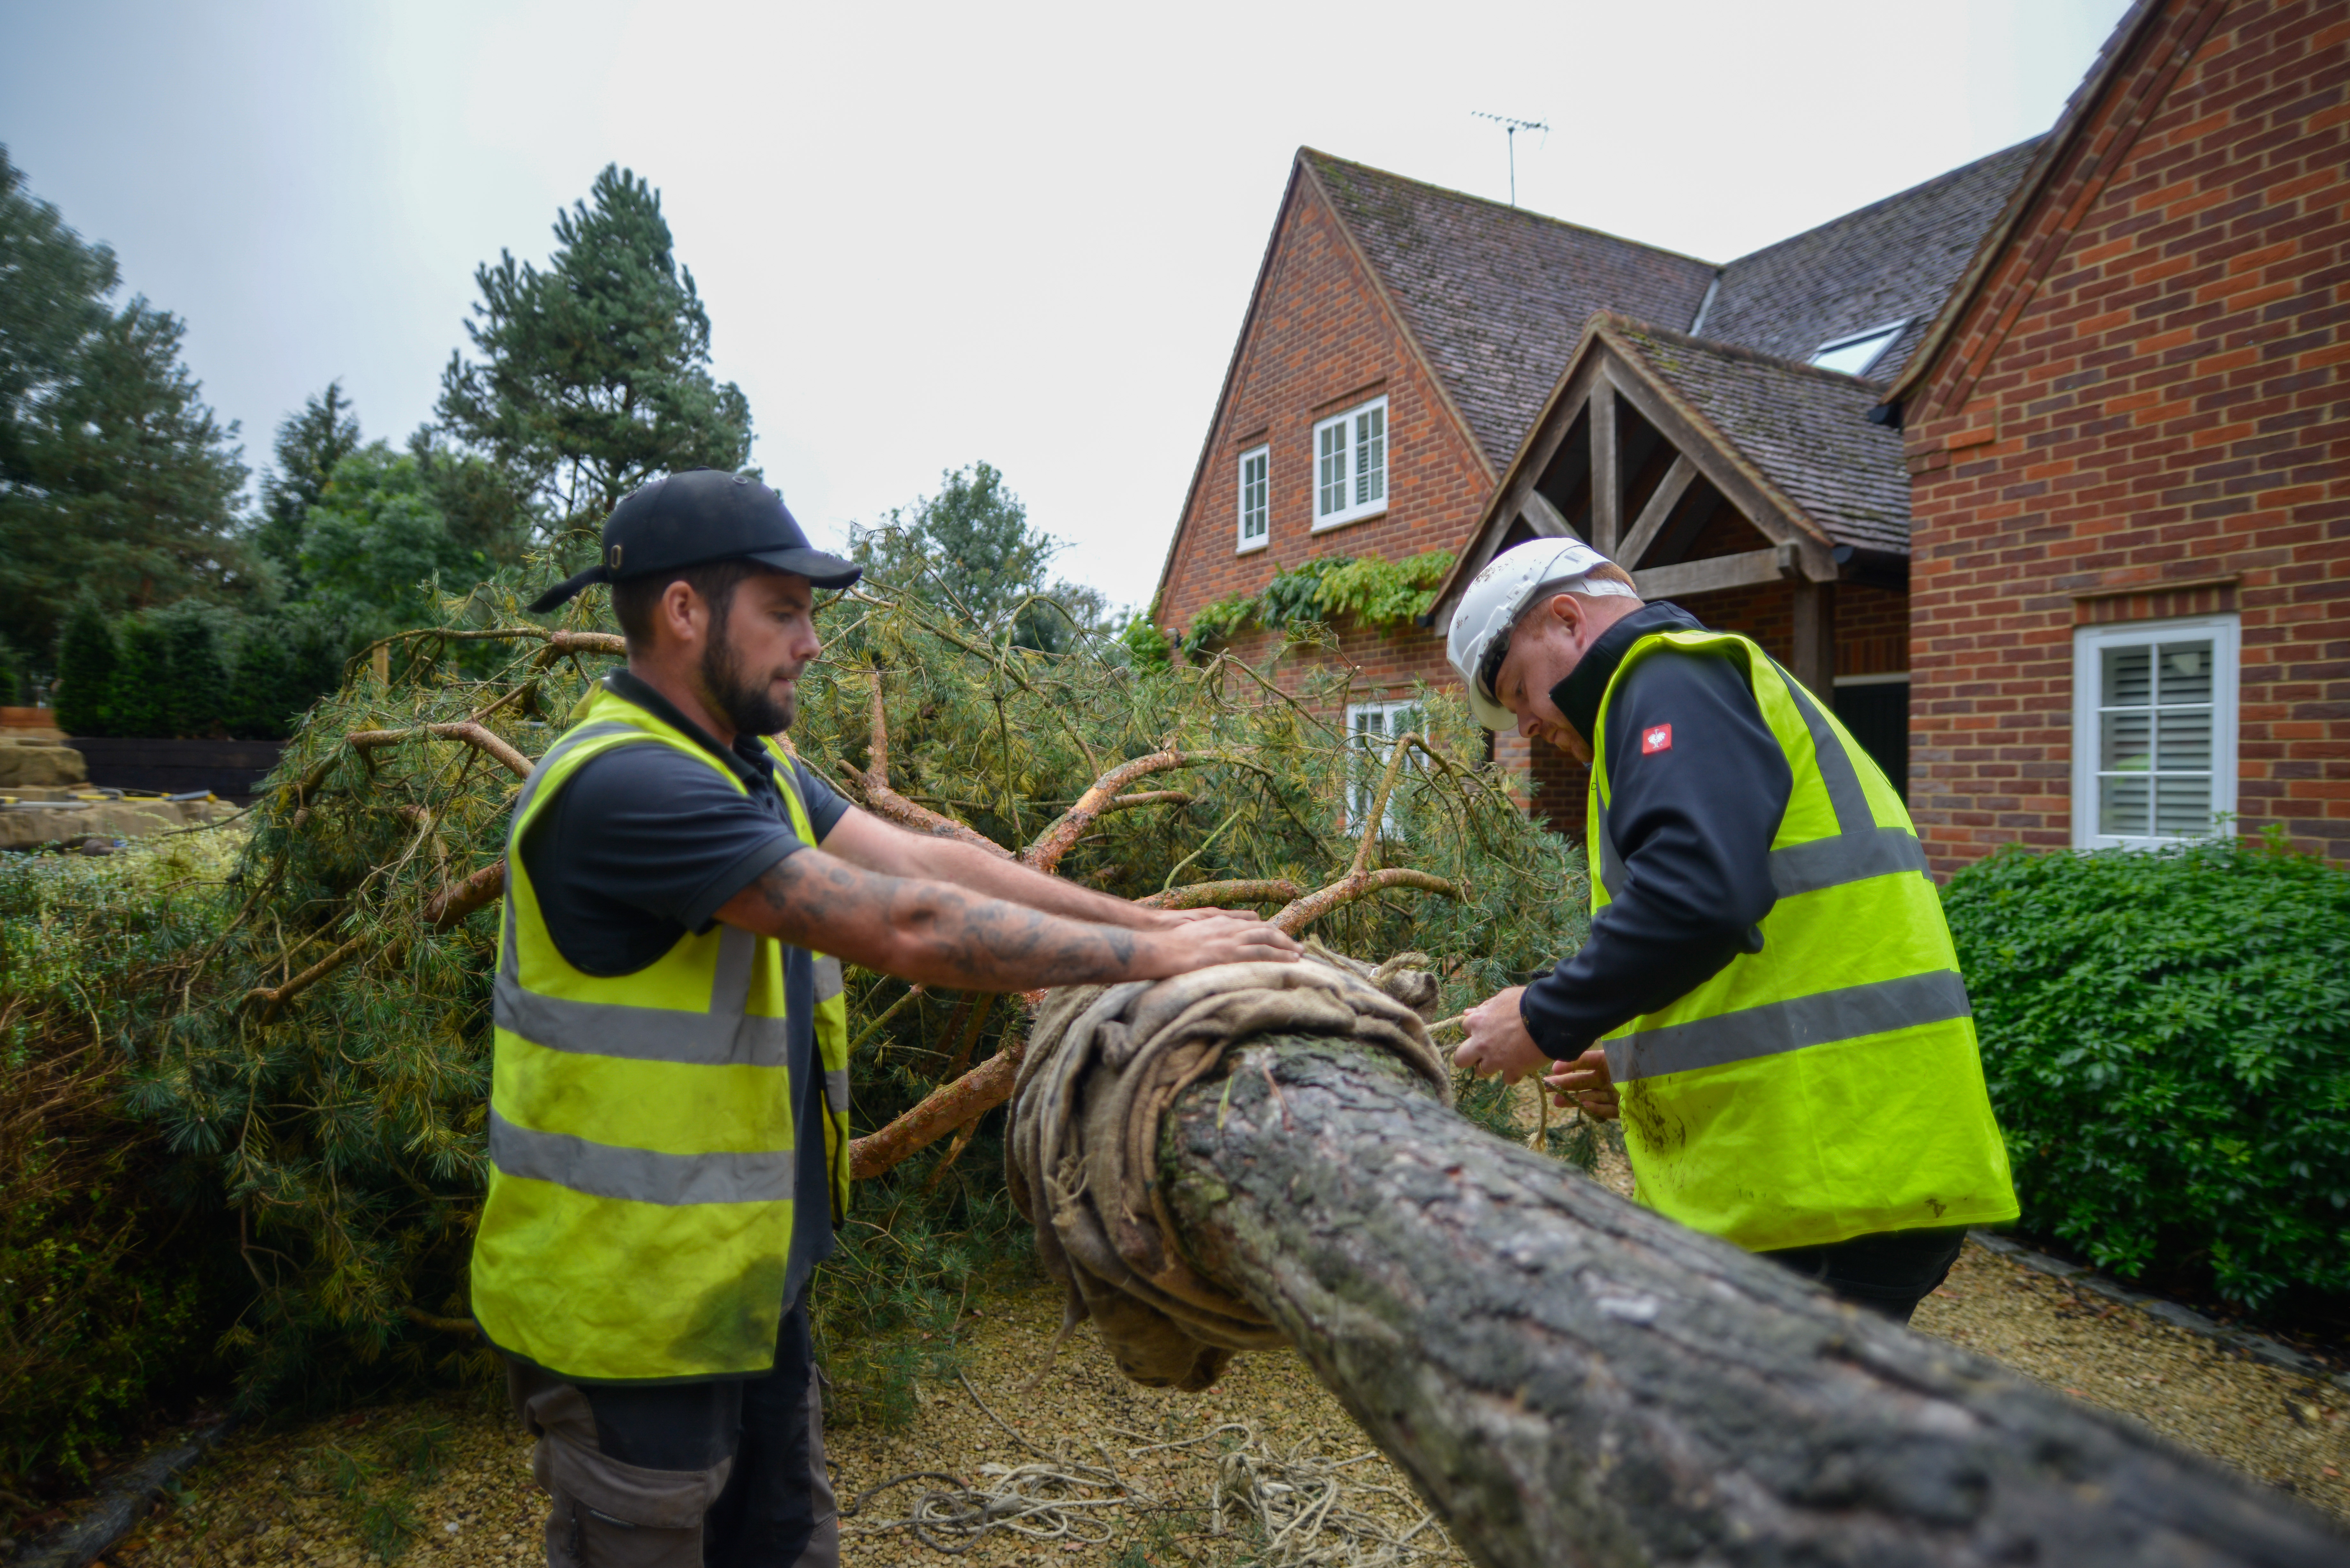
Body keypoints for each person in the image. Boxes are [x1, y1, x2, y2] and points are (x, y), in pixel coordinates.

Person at [469, 469, 1299, 1568]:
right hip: (630, 1320)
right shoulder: (626, 790)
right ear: (683, 612)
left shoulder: (747, 763)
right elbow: (903, 922)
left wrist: (1144, 920)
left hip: (745, 1284)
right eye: (784, 610)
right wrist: (1151, 957)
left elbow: (924, 857)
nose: (811, 642)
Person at [1444, 537, 2015, 1323]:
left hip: (1824, 1180)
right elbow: (1768, 941)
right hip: (1840, 1165)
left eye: (1518, 691)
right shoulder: (1690, 690)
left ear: (1566, 620)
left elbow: (1699, 898)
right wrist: (1647, 1063)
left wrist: (1539, 1017)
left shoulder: (1665, 675)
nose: (1528, 726)